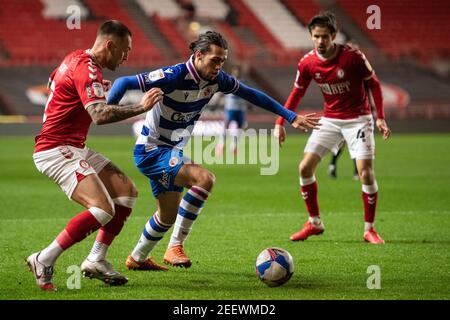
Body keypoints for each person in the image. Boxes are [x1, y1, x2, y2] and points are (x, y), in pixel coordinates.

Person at [107, 31, 321, 270]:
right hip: (151, 150)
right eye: (214, 60)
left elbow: (252, 94)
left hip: (171, 151)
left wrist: (290, 116)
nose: (219, 66)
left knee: (167, 215)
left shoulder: (217, 80)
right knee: (204, 179)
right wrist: (107, 110)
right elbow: (123, 83)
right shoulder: (174, 75)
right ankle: (175, 246)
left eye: (222, 61)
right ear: (198, 55)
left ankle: (137, 258)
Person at [26, 20, 164, 291]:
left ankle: (96, 259)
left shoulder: (77, 59)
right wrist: (141, 107)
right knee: (103, 208)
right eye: (125, 50)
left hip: (73, 145)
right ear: (110, 45)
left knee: (126, 192)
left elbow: (60, 85)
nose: (127, 57)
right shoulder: (86, 69)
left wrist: (93, 86)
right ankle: (43, 259)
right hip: (55, 149)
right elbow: (100, 115)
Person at [273, 12, 391, 244]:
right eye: (316, 36)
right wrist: (280, 122)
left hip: (359, 118)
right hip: (330, 119)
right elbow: (297, 92)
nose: (320, 41)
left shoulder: (353, 57)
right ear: (311, 36)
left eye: (325, 37)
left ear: (334, 36)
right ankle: (314, 223)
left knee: (365, 172)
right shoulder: (307, 62)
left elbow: (373, 84)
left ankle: (369, 229)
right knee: (305, 168)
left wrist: (380, 117)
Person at [215, 64, 249, 155]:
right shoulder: (229, 81)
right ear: (233, 72)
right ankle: (221, 145)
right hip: (230, 108)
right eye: (235, 71)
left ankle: (233, 147)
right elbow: (222, 93)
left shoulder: (244, 82)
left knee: (239, 128)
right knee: (226, 126)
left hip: (241, 109)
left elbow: (247, 95)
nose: (236, 73)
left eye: (238, 71)